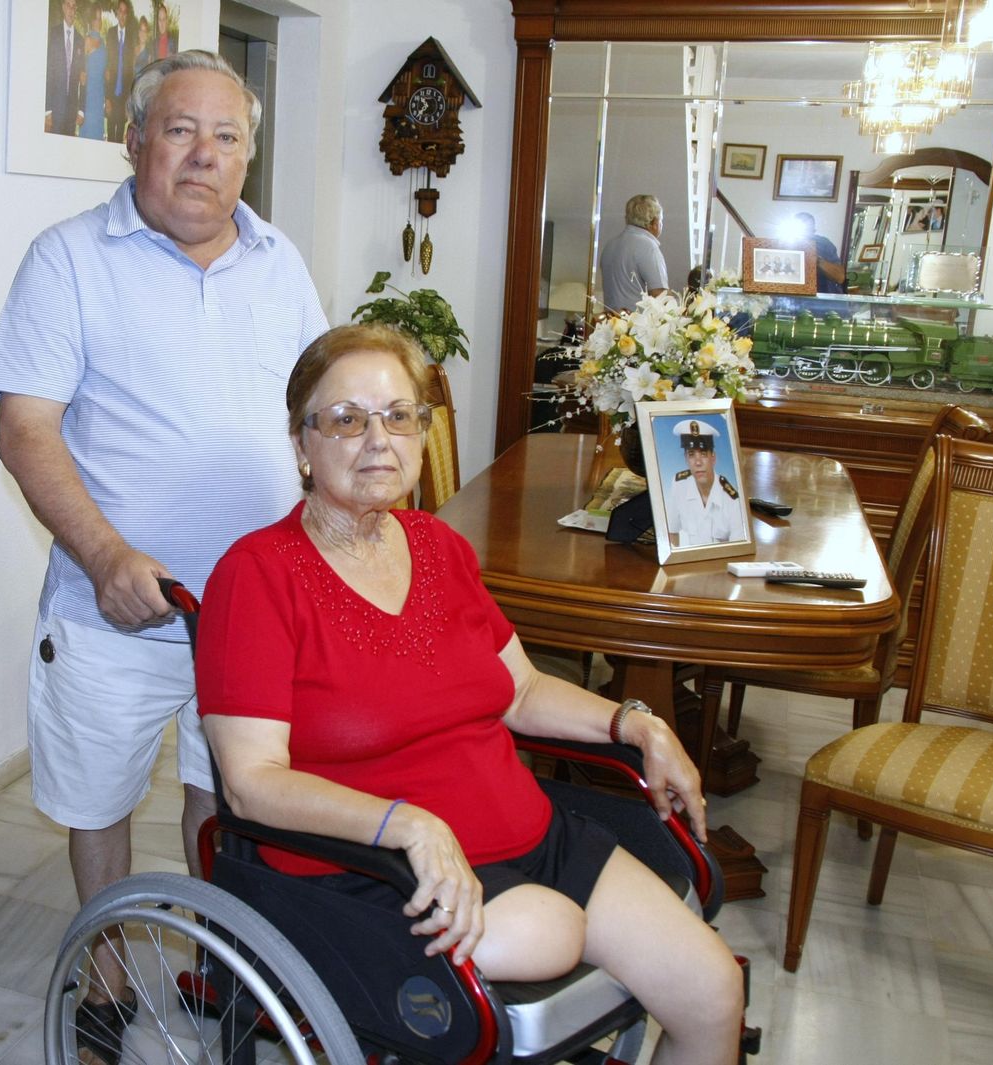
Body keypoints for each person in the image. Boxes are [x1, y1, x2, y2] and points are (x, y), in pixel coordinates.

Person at [195, 323, 744, 1065]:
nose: (377, 439)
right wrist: (407, 825)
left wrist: (632, 722)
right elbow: (251, 781)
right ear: (302, 443)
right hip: (375, 871)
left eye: (399, 415)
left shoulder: (439, 546)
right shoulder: (256, 575)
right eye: (347, 419)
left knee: (713, 992)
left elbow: (518, 689)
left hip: (533, 837)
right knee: (549, 932)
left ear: (422, 433)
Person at [0, 49, 326, 1063]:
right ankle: (111, 964)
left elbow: (313, 412)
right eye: (179, 131)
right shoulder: (69, 258)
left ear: (249, 157)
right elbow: (26, 430)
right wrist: (102, 555)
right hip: (117, 603)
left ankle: (218, 955)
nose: (201, 156)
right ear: (135, 144)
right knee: (99, 795)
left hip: (253, 606)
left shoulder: (281, 259)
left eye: (225, 137)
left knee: (227, 791)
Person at [664, 419, 747, 548]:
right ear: (686, 459)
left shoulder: (732, 500)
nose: (698, 462)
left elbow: (739, 550)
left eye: (703, 454)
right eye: (691, 454)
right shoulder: (679, 484)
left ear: (713, 457)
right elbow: (671, 532)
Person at [599, 193, 669, 311]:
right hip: (637, 325)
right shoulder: (648, 247)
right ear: (654, 223)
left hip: (611, 324)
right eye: (661, 220)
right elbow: (659, 295)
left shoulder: (610, 245)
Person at [45, 0, 85, 136]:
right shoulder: (53, 34)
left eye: (74, 7)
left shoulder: (80, 39)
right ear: (63, 7)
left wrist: (81, 110)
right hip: (55, 108)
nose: (71, 10)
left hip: (72, 111)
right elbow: (48, 72)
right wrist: (48, 110)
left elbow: (83, 77)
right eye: (68, 5)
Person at [102, 0, 140, 141]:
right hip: (112, 95)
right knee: (110, 134)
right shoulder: (110, 34)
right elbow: (107, 67)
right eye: (120, 11)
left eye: (125, 12)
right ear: (116, 13)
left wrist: (127, 103)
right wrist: (107, 98)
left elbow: (130, 71)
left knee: (118, 139)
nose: (122, 15)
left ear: (127, 14)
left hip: (123, 98)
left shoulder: (131, 37)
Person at [77, 0, 108, 140]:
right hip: (88, 99)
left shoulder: (104, 44)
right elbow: (80, 71)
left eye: (100, 18)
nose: (98, 21)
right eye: (96, 18)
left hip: (99, 99)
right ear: (91, 20)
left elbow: (105, 75)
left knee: (97, 136)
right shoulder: (87, 41)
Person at [794, 212, 845, 294]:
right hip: (790, 298)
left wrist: (816, 259)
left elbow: (839, 277)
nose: (803, 235)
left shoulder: (824, 244)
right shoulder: (782, 245)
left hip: (821, 297)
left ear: (814, 231)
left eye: (808, 230)